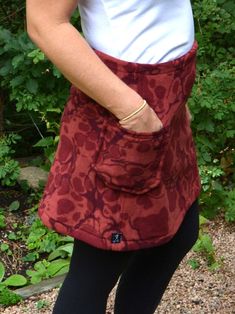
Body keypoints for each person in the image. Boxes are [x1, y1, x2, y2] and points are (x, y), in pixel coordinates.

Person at [26, 1, 201, 313]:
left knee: (178, 235)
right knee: (100, 260)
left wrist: (176, 93)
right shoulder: (132, 110)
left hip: (166, 99)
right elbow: (43, 23)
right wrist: (135, 111)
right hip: (125, 104)